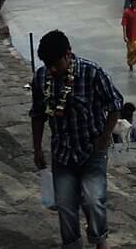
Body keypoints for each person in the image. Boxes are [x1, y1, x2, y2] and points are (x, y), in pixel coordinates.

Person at [30, 30, 123, 249]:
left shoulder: (91, 73)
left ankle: (100, 240)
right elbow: (37, 113)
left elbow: (115, 104)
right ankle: (72, 245)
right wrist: (36, 148)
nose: (52, 69)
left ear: (68, 55)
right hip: (62, 151)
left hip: (91, 148)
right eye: (47, 64)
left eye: (55, 64)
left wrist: (104, 138)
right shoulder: (43, 77)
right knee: (65, 204)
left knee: (93, 200)